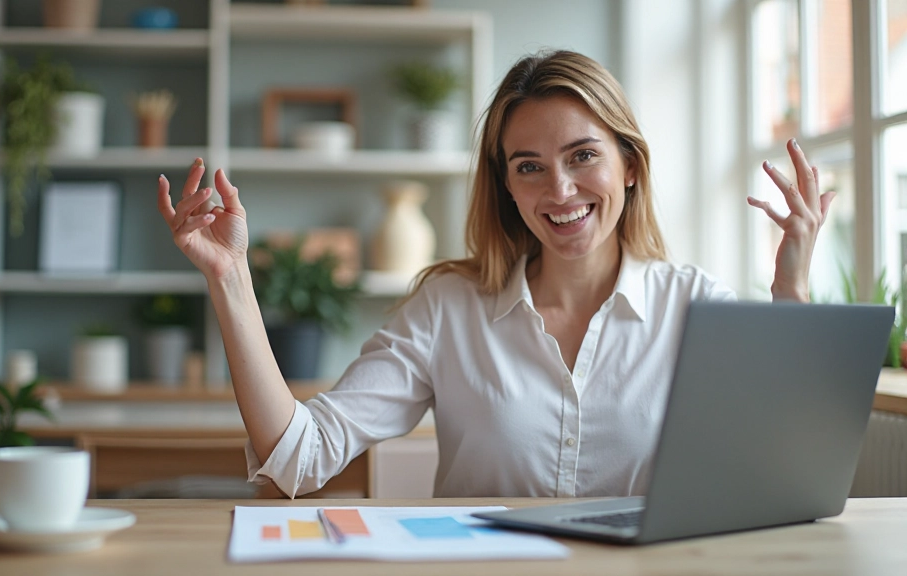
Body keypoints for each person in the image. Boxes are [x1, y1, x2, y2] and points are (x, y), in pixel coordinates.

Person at [156, 50, 833, 499]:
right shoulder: (448, 308)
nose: (559, 190)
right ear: (506, 185)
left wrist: (790, 289)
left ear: (630, 165)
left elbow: (784, 478)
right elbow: (300, 458)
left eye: (583, 156)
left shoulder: (694, 305)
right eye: (529, 165)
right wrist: (231, 277)